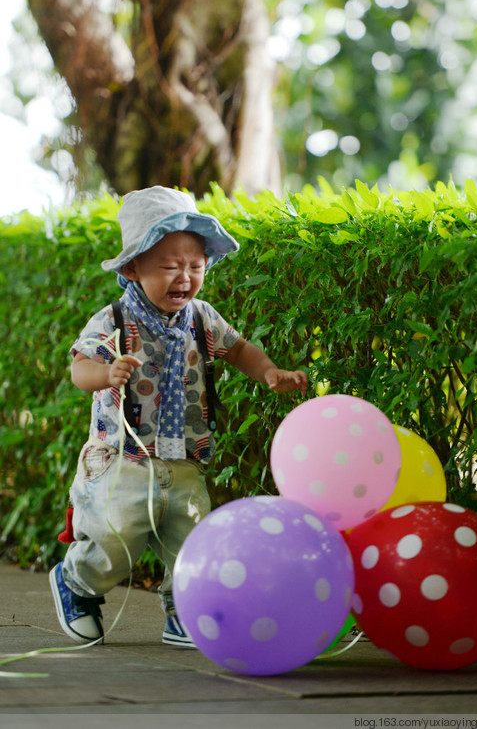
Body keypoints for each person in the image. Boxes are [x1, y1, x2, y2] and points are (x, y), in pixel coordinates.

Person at [50, 186, 308, 647]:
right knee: (114, 542)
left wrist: (268, 371)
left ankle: (182, 608)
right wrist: (106, 373)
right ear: (133, 268)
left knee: (192, 542)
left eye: (196, 266)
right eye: (170, 267)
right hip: (123, 460)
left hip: (185, 458)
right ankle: (77, 584)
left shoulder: (202, 317)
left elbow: (239, 348)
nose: (185, 277)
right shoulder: (112, 319)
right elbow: (79, 368)